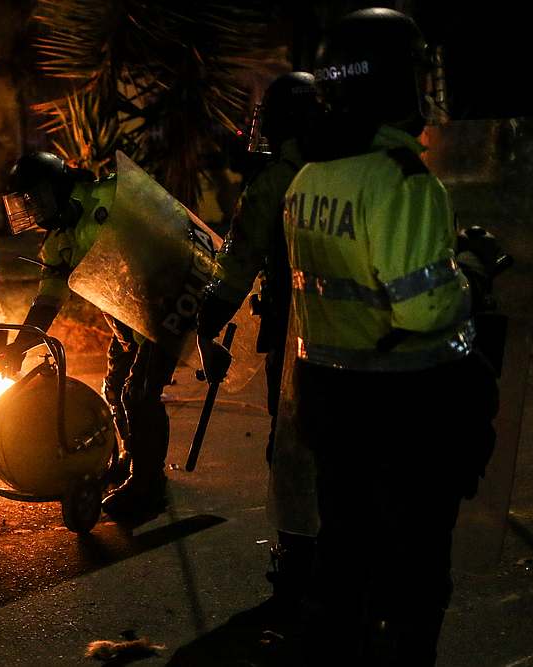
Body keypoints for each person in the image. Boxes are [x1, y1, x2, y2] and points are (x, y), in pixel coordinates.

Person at [283, 8, 499, 665]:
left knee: (342, 557)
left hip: (328, 399)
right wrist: (473, 270)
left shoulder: (310, 177)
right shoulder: (403, 182)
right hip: (405, 413)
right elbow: (426, 309)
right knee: (413, 575)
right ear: (394, 84)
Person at [195, 71, 321, 620]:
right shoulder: (352, 171)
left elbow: (238, 263)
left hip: (300, 339)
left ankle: (297, 568)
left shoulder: (276, 181)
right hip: (363, 342)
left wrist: (206, 325)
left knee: (293, 451)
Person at [0, 152, 177, 524]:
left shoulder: (109, 196)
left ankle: (149, 484)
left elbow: (164, 223)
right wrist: (19, 346)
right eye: (24, 203)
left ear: (57, 187)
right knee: (115, 389)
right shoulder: (58, 242)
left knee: (139, 394)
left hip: (162, 311)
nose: (31, 209)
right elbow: (49, 299)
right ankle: (133, 460)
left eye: (35, 198)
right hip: (125, 323)